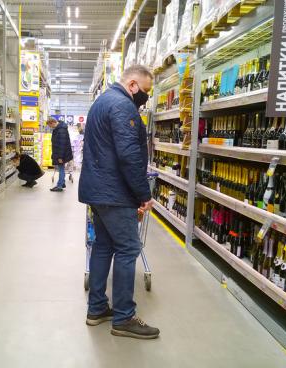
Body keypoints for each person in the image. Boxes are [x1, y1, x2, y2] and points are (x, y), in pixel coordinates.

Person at [78, 65, 159, 339]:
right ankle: (124, 318)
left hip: (98, 191)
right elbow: (129, 156)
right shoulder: (124, 106)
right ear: (133, 85)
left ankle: (97, 308)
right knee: (128, 249)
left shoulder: (101, 102)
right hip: (115, 193)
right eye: (145, 91)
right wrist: (143, 194)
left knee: (103, 246)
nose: (145, 97)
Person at [46, 117, 73, 192]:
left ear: (53, 123)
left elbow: (62, 144)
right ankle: (62, 183)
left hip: (61, 154)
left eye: (50, 126)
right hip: (61, 152)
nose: (50, 127)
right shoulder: (59, 129)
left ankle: (59, 186)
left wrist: (60, 157)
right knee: (61, 168)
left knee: (61, 169)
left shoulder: (61, 130)